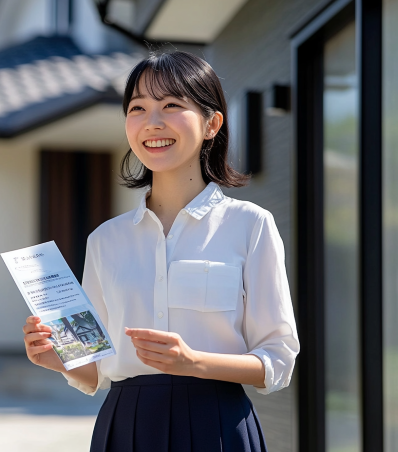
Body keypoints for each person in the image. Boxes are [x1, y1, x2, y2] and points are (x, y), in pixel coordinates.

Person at [21, 51, 300, 452]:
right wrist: (55, 357)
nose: (153, 122)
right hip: (126, 427)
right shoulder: (104, 239)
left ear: (211, 123)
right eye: (138, 108)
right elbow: (98, 370)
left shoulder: (250, 224)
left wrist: (194, 363)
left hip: (218, 426)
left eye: (171, 105)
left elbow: (277, 361)